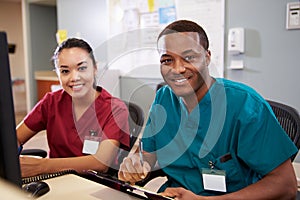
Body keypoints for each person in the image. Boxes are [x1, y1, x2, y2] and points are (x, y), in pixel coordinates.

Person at [118, 20, 298, 199]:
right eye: (167, 60)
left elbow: (286, 185)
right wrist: (135, 164)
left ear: (207, 57)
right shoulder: (163, 99)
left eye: (189, 58)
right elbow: (147, 155)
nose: (178, 69)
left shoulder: (245, 105)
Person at [17, 38, 130, 178]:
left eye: (82, 68)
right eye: (65, 71)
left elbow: (101, 162)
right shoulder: (51, 102)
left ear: (95, 68)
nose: (74, 78)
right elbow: (15, 137)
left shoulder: (115, 109)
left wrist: (42, 166)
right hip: (56, 181)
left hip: (96, 186)